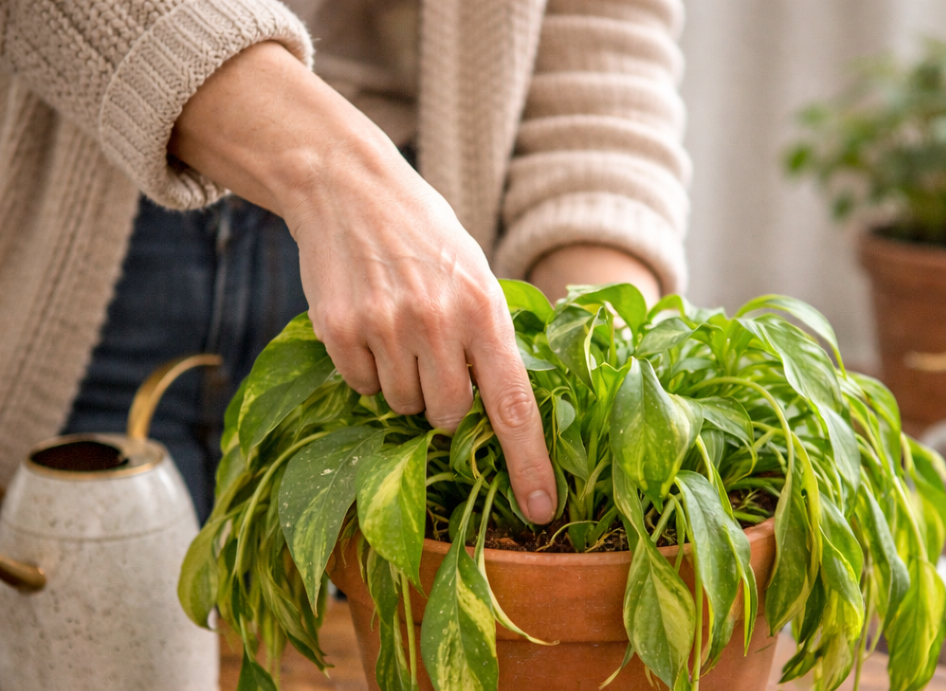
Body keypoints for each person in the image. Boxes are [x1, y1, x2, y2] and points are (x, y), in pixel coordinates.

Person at [0, 0, 689, 521]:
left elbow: (601, 41)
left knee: (343, 682)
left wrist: (605, 352)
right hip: (83, 223)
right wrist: (334, 173)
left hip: (414, 276)